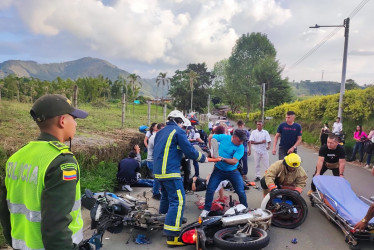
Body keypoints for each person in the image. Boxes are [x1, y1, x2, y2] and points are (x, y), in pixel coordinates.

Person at [0, 94, 88, 250]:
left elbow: (5, 211)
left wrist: (13, 242)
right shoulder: (62, 161)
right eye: (73, 118)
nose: (75, 123)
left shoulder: (17, 157)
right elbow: (56, 225)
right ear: (62, 121)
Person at [153, 110, 207, 247]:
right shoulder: (178, 131)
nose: (183, 126)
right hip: (170, 172)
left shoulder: (161, 132)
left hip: (158, 172)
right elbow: (189, 150)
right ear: (179, 121)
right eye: (182, 123)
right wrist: (203, 158)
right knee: (178, 200)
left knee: (166, 197)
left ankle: (163, 223)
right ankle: (172, 237)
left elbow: (166, 149)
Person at [200, 129, 248, 218]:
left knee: (240, 191)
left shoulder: (240, 147)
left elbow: (234, 161)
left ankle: (245, 208)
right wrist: (212, 152)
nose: (241, 142)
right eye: (240, 140)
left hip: (232, 171)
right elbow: (210, 137)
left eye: (243, 140)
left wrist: (222, 159)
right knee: (210, 189)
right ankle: (206, 210)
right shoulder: (224, 137)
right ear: (233, 137)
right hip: (218, 170)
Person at [147, 123, 165, 200]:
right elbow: (159, 149)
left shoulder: (157, 136)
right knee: (157, 177)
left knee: (158, 177)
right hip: (152, 161)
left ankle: (157, 191)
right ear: (158, 129)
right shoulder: (154, 137)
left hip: (154, 160)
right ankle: (156, 193)